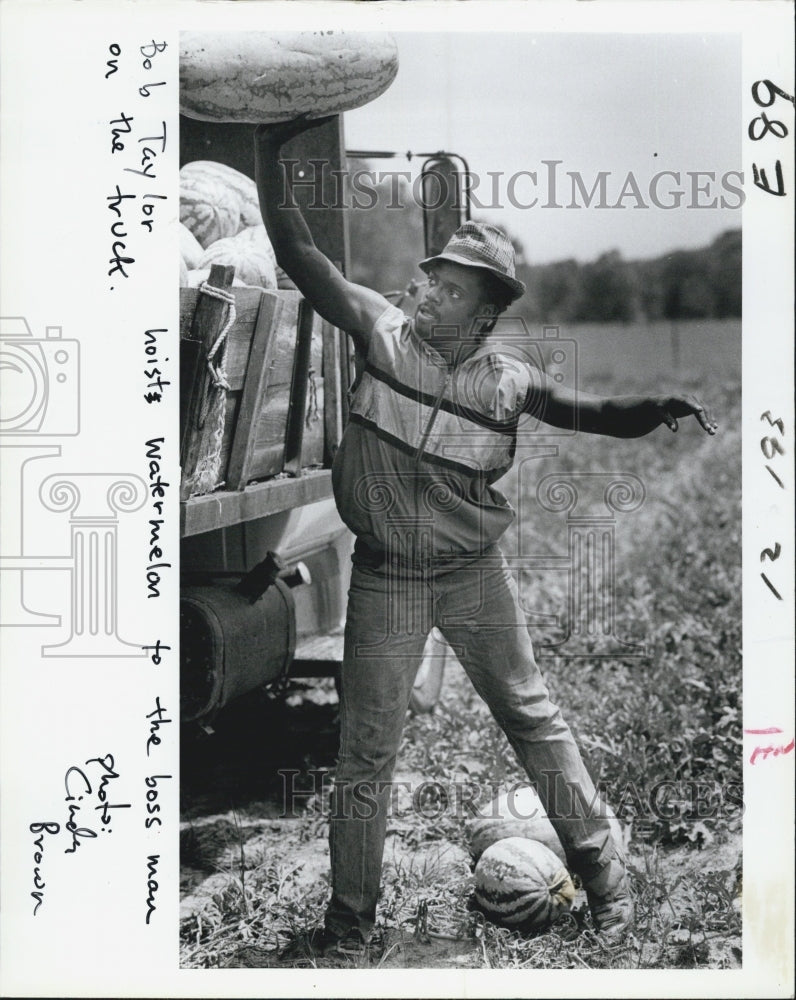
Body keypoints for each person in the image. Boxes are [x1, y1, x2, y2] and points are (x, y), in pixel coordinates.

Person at [254, 117, 718, 957]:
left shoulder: (510, 382)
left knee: (534, 720)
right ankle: (350, 928)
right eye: (430, 278)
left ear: (489, 310)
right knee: (365, 756)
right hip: (388, 579)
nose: (427, 292)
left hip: (474, 575)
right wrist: (268, 152)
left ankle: (608, 886)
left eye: (451, 288)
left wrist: (657, 407)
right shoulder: (377, 333)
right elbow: (298, 254)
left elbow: (593, 416)